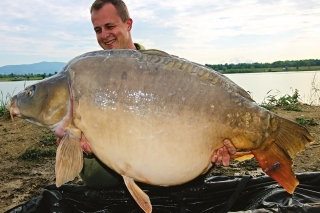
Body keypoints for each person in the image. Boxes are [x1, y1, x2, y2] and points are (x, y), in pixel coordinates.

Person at [78, 0, 237, 188]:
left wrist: (212, 157)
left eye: (110, 26)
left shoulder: (162, 73)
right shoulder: (91, 84)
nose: (104, 35)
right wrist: (87, 152)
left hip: (172, 179)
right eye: (98, 30)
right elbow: (95, 180)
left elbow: (187, 147)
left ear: (128, 24)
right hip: (121, 187)